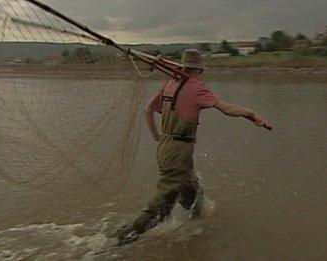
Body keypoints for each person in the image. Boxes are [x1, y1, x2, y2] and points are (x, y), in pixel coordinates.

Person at [116, 49, 271, 244]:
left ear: (183, 67)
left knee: (193, 191)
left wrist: (158, 138)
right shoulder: (197, 88)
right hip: (178, 152)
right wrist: (252, 113)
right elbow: (227, 109)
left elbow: (148, 111)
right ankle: (119, 240)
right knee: (160, 209)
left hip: (166, 148)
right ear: (199, 70)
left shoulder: (169, 85)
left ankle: (195, 231)